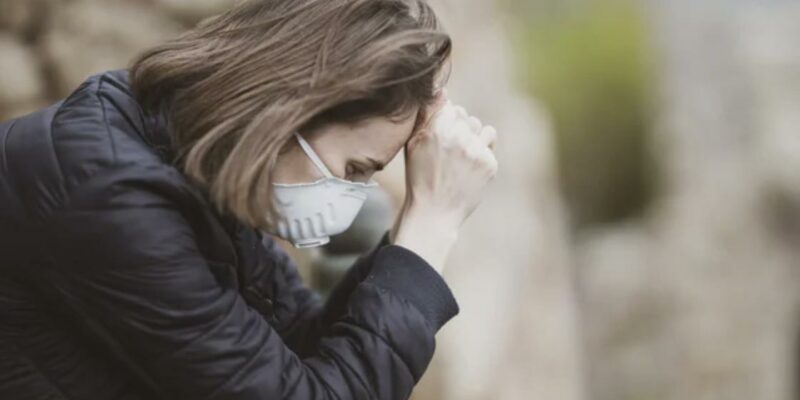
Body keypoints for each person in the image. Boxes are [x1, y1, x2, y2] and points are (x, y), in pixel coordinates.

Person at [0, 0, 498, 399]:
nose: (352, 195)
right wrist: (432, 227)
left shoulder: (185, 163)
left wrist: (411, 229)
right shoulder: (109, 194)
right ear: (293, 108)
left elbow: (299, 348)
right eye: (354, 169)